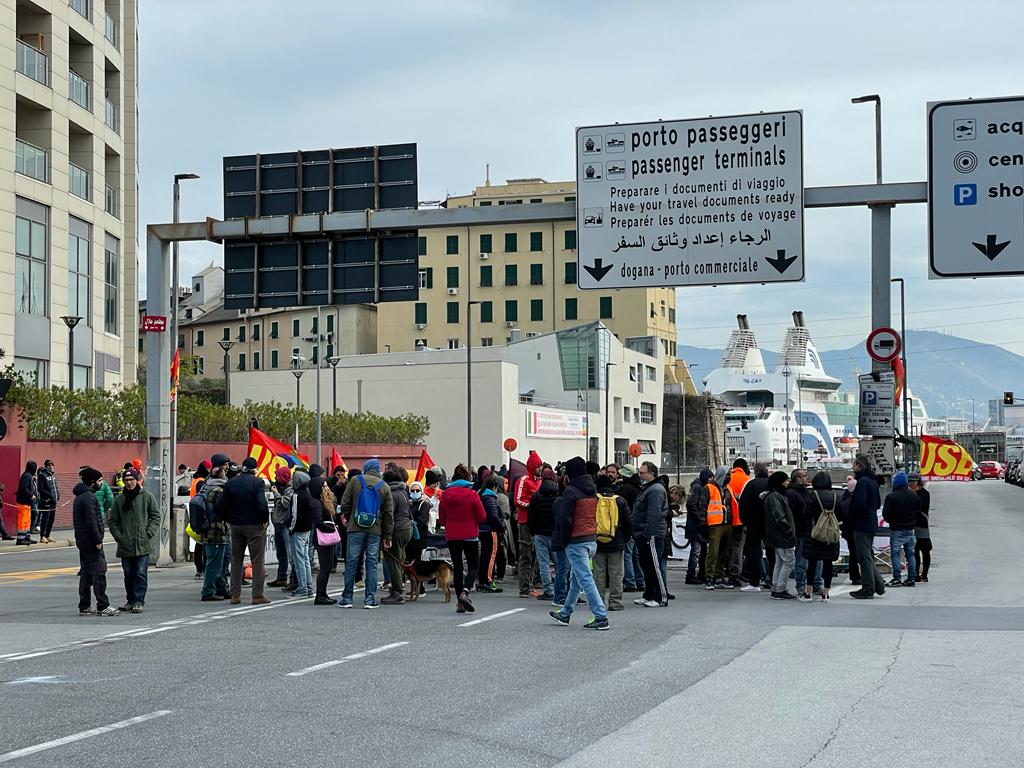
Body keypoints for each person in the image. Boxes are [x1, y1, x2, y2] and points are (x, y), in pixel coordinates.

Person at [549, 456, 610, 630]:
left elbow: (565, 519)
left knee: (584, 579)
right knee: (576, 579)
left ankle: (600, 616)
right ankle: (565, 612)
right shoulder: (591, 489)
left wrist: (564, 540)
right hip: (591, 539)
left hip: (576, 541)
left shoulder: (570, 492)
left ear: (569, 474)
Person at [338, 458, 394, 609]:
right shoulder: (384, 487)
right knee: (372, 564)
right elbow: (389, 514)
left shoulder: (355, 480)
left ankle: (347, 598)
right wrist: (387, 536)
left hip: (355, 528)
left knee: (351, 563)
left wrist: (350, 518)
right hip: (375, 530)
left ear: (366, 468)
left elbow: (345, 503)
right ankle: (369, 599)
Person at [107, 468, 159, 613]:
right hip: (126, 544)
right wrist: (119, 536)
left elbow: (155, 516)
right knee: (128, 574)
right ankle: (130, 600)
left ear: (137, 480)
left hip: (142, 543)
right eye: (126, 480)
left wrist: (149, 532)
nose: (129, 483)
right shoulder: (119, 499)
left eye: (131, 480)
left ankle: (139, 601)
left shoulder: (147, 496)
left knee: (141, 573)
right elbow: (113, 521)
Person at [220, 456, 271, 605]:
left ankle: (235, 595)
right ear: (255, 469)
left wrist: (228, 518)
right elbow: (262, 504)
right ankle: (257, 595)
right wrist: (263, 520)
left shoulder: (231, 483)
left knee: (236, 560)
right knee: (257, 560)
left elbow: (221, 504)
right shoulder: (258, 482)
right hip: (254, 525)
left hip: (236, 525)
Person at [439, 464, 485, 613]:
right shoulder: (472, 494)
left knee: (457, 568)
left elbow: (441, 518)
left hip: (452, 535)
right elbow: (482, 516)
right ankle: (465, 592)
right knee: (473, 567)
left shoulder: (445, 495)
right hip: (470, 534)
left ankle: (459, 602)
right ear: (467, 478)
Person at [73, 467, 118, 617]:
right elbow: (92, 521)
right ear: (92, 482)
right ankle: (102, 605)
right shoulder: (89, 498)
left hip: (82, 540)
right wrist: (98, 539)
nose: (101, 483)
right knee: (99, 571)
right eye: (99, 480)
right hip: (91, 540)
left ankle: (84, 605)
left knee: (86, 572)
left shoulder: (80, 497)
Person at [632, 461, 669, 607]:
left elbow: (654, 514)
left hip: (651, 534)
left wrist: (647, 534)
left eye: (642, 472)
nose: (639, 475)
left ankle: (660, 597)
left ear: (651, 474)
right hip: (644, 533)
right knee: (647, 565)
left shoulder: (655, 490)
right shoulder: (648, 489)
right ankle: (648, 594)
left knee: (654, 566)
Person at [801, 472, 842, 601]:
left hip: (815, 533)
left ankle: (809, 592)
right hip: (830, 534)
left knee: (812, 562)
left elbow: (805, 514)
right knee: (828, 562)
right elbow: (841, 515)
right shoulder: (836, 496)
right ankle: (826, 593)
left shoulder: (812, 496)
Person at [849, 455, 885, 600]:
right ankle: (879, 585)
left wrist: (852, 511)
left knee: (863, 557)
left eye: (854, 463)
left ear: (858, 465)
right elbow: (876, 504)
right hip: (870, 522)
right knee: (868, 556)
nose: (853, 466)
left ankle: (868, 588)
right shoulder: (872, 481)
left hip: (861, 523)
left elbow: (859, 504)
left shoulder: (862, 482)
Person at [594, 474, 632, 611]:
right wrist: (625, 538)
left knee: (599, 572)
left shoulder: (594, 500)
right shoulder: (620, 501)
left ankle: (598, 601)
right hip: (617, 541)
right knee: (616, 573)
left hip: (597, 541)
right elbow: (628, 523)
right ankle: (615, 602)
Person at [197, 455, 231, 602]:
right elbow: (225, 509)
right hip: (216, 530)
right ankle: (208, 591)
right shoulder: (218, 490)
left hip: (207, 529)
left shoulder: (206, 485)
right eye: (225, 467)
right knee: (215, 563)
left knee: (214, 560)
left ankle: (221, 588)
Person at [787, 467, 822, 596]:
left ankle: (816, 583)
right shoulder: (792, 494)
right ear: (797, 478)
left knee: (816, 559)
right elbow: (794, 514)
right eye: (803, 476)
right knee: (801, 560)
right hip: (802, 531)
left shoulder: (805, 492)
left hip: (810, 530)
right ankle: (801, 585)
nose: (806, 478)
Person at [512, 451, 543, 598]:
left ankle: (529, 585)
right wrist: (533, 506)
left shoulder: (539, 481)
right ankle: (524, 587)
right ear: (532, 466)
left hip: (536, 523)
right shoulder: (524, 480)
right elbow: (518, 500)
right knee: (526, 555)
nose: (540, 469)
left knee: (534, 555)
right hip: (525, 522)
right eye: (538, 466)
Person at [763, 471, 797, 600]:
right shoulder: (776, 497)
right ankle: (780, 588)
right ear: (780, 482)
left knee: (780, 561)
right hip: (782, 534)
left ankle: (776, 587)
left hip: (776, 534)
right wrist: (788, 531)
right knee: (788, 561)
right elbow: (780, 516)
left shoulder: (772, 496)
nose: (788, 482)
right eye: (786, 480)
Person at [882, 470, 920, 588]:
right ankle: (911, 578)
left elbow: (886, 514)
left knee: (895, 554)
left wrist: (892, 521)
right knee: (911, 554)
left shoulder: (891, 497)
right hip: (910, 529)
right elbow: (918, 512)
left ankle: (897, 578)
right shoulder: (914, 495)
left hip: (897, 529)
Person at [381, 467, 413, 605]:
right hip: (407, 528)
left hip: (397, 530)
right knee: (400, 558)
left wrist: (387, 535)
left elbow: (389, 516)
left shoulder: (391, 494)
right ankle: (399, 587)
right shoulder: (403, 491)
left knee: (393, 560)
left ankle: (397, 592)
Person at [527, 468, 559, 602]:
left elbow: (531, 516)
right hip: (555, 534)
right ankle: (561, 588)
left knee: (544, 564)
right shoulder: (558, 495)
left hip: (540, 534)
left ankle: (548, 590)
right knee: (560, 563)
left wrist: (533, 531)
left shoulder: (536, 496)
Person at [739, 462, 770, 591]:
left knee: (755, 553)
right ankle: (772, 580)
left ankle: (755, 582)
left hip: (754, 524)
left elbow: (743, 504)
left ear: (755, 472)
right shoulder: (772, 484)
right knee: (773, 553)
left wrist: (745, 522)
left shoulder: (751, 485)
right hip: (770, 524)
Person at [309, 475, 339, 605]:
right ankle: (320, 594)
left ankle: (323, 593)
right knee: (324, 567)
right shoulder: (316, 503)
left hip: (326, 536)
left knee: (327, 567)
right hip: (323, 537)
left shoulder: (322, 501)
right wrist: (330, 529)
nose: (327, 488)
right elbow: (318, 521)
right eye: (324, 485)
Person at [702, 467, 734, 590]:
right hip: (715, 524)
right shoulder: (708, 488)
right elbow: (702, 507)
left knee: (723, 553)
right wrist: (703, 525)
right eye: (727, 475)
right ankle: (709, 577)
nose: (729, 477)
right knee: (713, 553)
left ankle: (719, 576)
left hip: (727, 523)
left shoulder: (727, 488)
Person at [614, 464, 644, 592]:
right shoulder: (640, 488)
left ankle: (630, 582)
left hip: (628, 524)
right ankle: (640, 580)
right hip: (638, 525)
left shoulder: (624, 489)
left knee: (627, 553)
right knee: (635, 555)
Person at [477, 472, 507, 593]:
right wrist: (502, 526)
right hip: (490, 530)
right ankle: (488, 581)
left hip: (482, 529)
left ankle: (482, 580)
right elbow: (493, 516)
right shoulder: (490, 498)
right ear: (494, 487)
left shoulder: (481, 495)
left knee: (484, 555)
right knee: (491, 556)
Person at [289, 471, 315, 598]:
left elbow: (294, 515)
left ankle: (302, 588)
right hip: (307, 529)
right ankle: (308, 587)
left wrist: (290, 528)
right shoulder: (308, 494)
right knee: (305, 559)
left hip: (298, 530)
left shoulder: (296, 495)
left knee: (298, 560)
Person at [725, 458, 750, 587]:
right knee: (738, 548)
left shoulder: (728, 478)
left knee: (727, 547)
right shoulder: (746, 480)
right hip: (741, 519)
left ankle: (724, 572)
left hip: (725, 519)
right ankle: (735, 574)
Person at [268, 467, 293, 588]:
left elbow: (285, 503)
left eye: (278, 476)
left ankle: (294, 579)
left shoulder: (290, 489)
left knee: (290, 554)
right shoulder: (282, 487)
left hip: (285, 525)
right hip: (279, 524)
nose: (276, 478)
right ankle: (281, 577)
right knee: (280, 553)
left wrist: (276, 493)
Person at [684, 470, 709, 585]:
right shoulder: (698, 487)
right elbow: (691, 504)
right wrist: (700, 518)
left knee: (699, 551)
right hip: (696, 525)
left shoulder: (697, 486)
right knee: (696, 551)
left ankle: (697, 574)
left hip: (696, 524)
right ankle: (691, 575)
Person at [909, 473, 932, 583]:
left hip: (922, 524)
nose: (911, 484)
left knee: (925, 549)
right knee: (915, 550)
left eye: (914, 481)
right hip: (911, 524)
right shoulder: (909, 493)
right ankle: (916, 573)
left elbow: (921, 507)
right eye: (910, 482)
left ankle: (925, 574)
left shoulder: (924, 494)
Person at [839, 474, 860, 585]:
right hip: (854, 531)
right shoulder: (852, 501)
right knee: (857, 554)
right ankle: (856, 576)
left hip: (847, 531)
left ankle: (855, 576)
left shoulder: (844, 499)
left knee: (853, 554)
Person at [15, 460, 38, 545]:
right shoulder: (27, 476)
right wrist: (31, 495)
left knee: (27, 521)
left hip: (26, 503)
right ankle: (20, 539)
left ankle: (26, 537)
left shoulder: (27, 475)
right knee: (23, 521)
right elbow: (23, 488)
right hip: (23, 502)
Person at [37, 459, 59, 544]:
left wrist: (58, 494)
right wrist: (50, 495)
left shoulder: (53, 475)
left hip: (53, 501)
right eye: (49, 465)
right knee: (45, 519)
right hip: (46, 501)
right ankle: (42, 536)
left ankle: (48, 535)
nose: (51, 467)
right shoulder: (43, 475)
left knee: (51, 519)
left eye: (52, 465)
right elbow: (41, 489)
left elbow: (55, 487)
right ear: (46, 466)